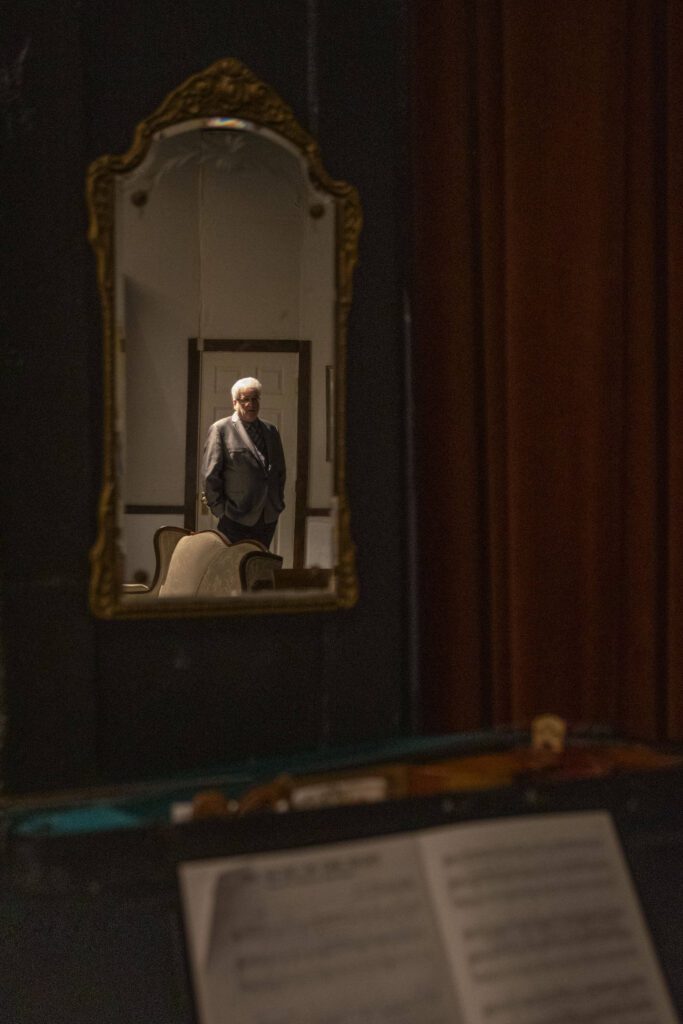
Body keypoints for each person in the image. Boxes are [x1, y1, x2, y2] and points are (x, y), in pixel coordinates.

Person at [201, 377, 286, 549]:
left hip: (267, 516)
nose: (251, 404)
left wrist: (277, 502)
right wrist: (221, 512)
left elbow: (280, 471)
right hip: (235, 517)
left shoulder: (271, 430)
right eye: (245, 399)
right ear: (234, 403)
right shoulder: (221, 429)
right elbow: (210, 476)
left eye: (255, 399)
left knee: (259, 566)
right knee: (233, 569)